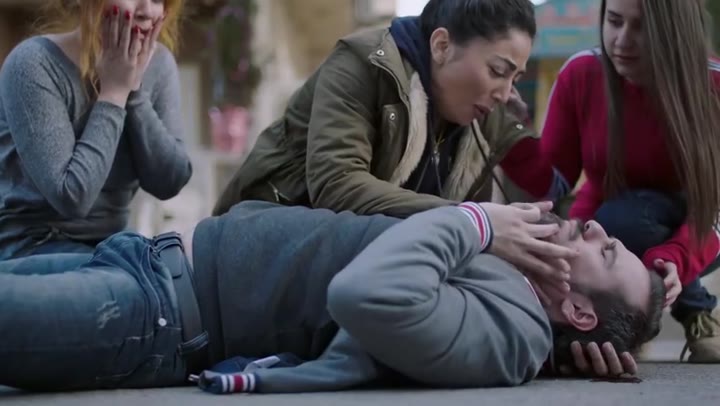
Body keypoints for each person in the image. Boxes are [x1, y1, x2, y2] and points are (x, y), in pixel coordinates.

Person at [0, 200, 665, 393]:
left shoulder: (512, 330)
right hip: (147, 258)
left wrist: (477, 221)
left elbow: (367, 294)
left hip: (156, 315)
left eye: (605, 251)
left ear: (578, 310)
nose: (595, 227)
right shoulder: (512, 280)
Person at [500, 0, 720, 362]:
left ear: (675, 31)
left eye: (641, 27)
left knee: (630, 217)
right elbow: (553, 186)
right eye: (614, 21)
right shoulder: (582, 73)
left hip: (700, 229)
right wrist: (512, 134)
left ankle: (697, 311)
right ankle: (616, 335)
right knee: (611, 225)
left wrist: (675, 260)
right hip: (611, 222)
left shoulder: (713, 85)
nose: (621, 40)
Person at [212, 0, 537, 218]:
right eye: (497, 70)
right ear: (442, 46)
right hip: (263, 239)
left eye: (515, 79)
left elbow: (546, 184)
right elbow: (337, 186)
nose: (505, 93)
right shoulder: (363, 64)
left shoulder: (486, 117)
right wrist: (470, 219)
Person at [0, 0, 192, 259]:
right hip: (33, 247)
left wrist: (134, 91)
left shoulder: (159, 64)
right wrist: (115, 91)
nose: (147, 10)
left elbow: (170, 182)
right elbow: (72, 197)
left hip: (112, 247)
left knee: (194, 263)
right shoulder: (32, 63)